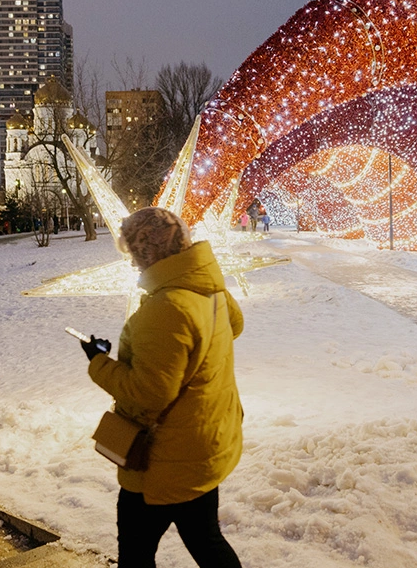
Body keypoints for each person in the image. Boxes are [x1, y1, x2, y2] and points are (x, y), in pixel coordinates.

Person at [81, 207, 244, 567]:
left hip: (164, 457)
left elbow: (149, 393)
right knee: (206, 539)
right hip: (202, 442)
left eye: (133, 252)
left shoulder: (167, 306)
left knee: (137, 554)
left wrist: (98, 362)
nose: (132, 262)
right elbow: (234, 326)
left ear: (146, 251)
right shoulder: (205, 285)